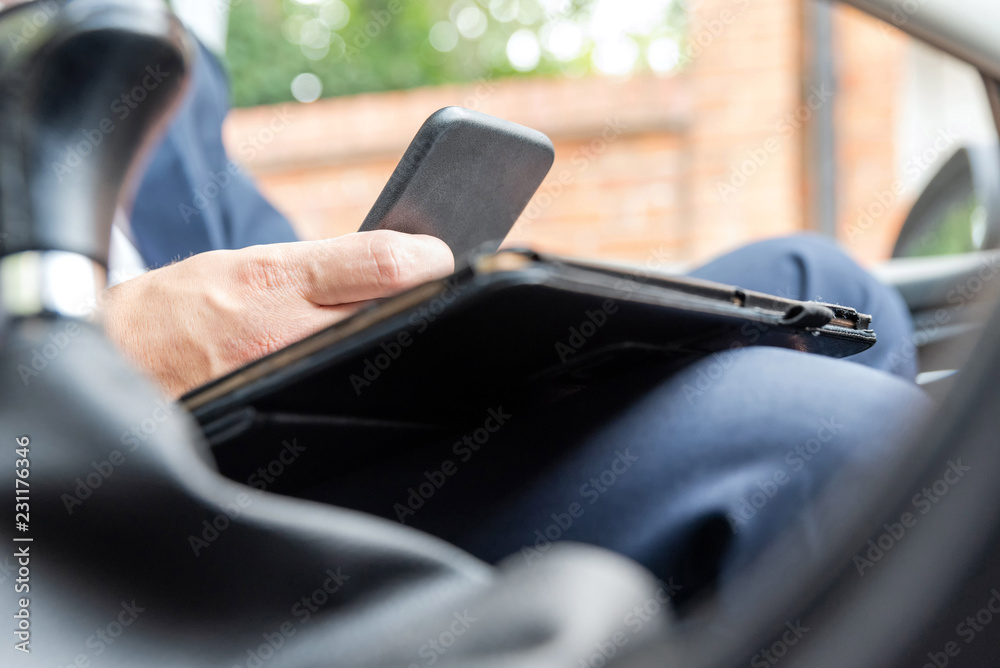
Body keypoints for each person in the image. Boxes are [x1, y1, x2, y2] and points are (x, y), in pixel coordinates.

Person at [5, 0, 930, 603]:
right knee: (812, 433)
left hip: (302, 441)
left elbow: (281, 274)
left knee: (832, 289)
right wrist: (93, 354)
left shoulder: (151, 66)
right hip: (84, 547)